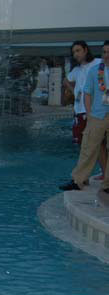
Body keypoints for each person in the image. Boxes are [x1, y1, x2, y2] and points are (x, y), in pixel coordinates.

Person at [60, 41, 109, 194]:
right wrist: (89, 114)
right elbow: (87, 93)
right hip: (97, 115)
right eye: (104, 52)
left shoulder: (94, 64)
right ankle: (78, 180)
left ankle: (108, 184)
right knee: (87, 148)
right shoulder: (95, 71)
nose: (107, 55)